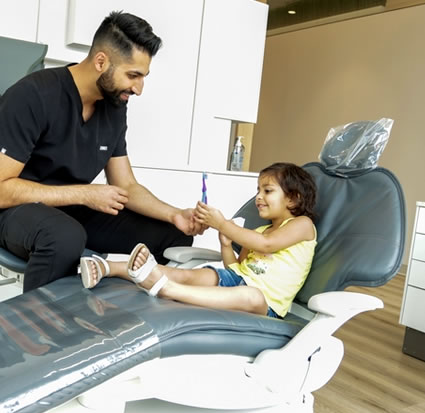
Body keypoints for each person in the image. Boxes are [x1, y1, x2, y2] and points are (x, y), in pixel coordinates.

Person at [0, 11, 202, 293]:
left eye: (143, 77)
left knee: (172, 235)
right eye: (133, 75)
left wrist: (174, 215)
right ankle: (38, 333)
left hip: (73, 211)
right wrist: (85, 193)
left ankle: (125, 323)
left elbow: (126, 185)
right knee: (65, 236)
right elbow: (2, 190)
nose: (139, 88)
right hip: (14, 212)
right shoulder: (33, 95)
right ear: (100, 61)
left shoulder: (114, 107)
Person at [80, 162, 317, 319]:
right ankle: (107, 267)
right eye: (258, 190)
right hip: (237, 281)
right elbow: (237, 269)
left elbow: (267, 246)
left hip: (266, 305)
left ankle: (168, 289)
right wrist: (225, 244)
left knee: (252, 295)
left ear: (293, 199)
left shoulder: (302, 225)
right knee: (195, 274)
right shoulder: (260, 231)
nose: (258, 197)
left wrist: (222, 224)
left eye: (267, 191)